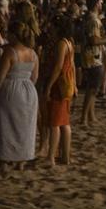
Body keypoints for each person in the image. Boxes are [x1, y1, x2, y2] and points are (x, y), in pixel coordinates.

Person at [0, 22, 38, 168]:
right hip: (28, 90)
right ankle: (21, 160)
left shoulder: (10, 52)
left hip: (10, 90)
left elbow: (0, 77)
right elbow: (34, 77)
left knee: (5, 125)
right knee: (25, 126)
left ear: (14, 35)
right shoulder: (33, 53)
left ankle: (4, 160)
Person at [38, 24, 75, 168]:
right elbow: (70, 65)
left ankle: (51, 157)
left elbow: (58, 67)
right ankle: (65, 155)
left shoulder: (61, 44)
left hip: (59, 86)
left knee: (55, 123)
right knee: (64, 122)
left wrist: (48, 86)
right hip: (66, 84)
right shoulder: (69, 43)